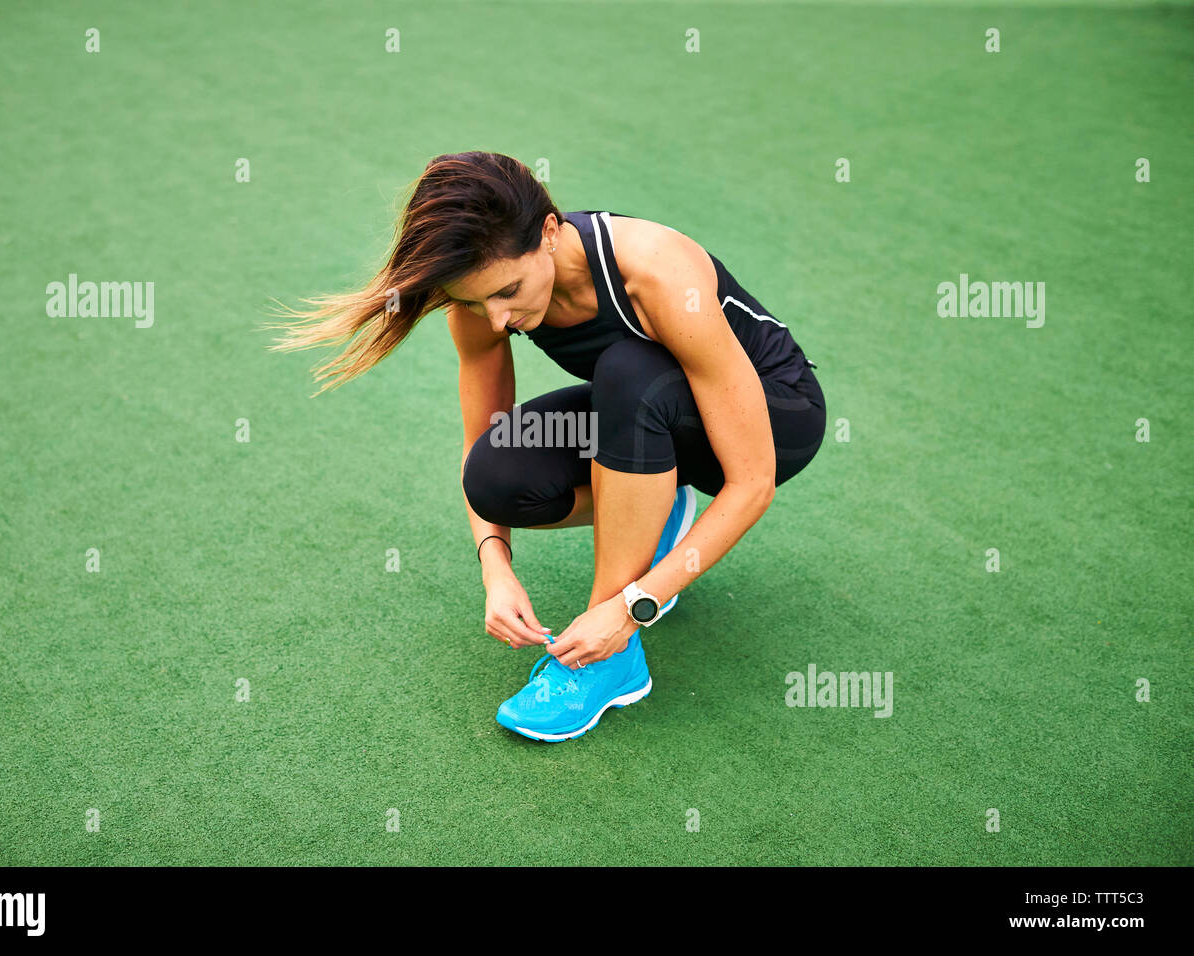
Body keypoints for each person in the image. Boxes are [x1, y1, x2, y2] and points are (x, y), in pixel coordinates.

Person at [270, 151, 825, 742]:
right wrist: (495, 568)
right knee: (495, 476)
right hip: (650, 412)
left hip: (775, 419)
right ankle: (655, 505)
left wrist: (633, 606)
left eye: (508, 290)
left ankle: (611, 662)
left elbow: (752, 483)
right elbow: (478, 440)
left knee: (630, 372)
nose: (497, 319)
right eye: (474, 301)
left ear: (551, 233)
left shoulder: (657, 272)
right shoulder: (482, 303)